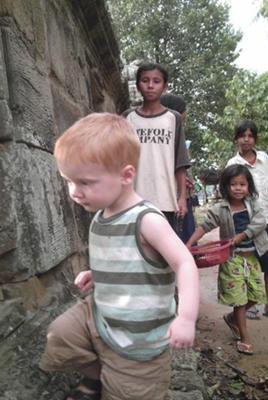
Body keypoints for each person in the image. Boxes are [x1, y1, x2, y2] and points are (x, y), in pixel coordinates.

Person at [40, 113, 200, 400]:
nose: (74, 192)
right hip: (101, 316)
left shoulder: (147, 220)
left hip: (139, 341)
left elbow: (184, 263)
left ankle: (111, 380)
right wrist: (97, 273)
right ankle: (95, 376)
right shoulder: (101, 216)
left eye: (85, 182)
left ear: (126, 175)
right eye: (69, 181)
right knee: (61, 336)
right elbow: (123, 257)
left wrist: (186, 316)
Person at [187, 164, 267, 355]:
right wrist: (188, 244)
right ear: (225, 186)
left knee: (256, 296)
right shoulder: (220, 209)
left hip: (252, 259)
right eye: (233, 184)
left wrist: (242, 236)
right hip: (232, 260)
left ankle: (232, 318)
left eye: (242, 184)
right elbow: (204, 226)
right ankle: (244, 336)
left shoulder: (253, 204)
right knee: (239, 300)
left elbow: (261, 222)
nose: (238, 188)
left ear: (248, 186)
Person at [227, 120, 268, 321]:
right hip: (244, 223)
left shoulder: (264, 159)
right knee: (247, 265)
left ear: (255, 138)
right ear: (236, 139)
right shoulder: (233, 165)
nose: (246, 139)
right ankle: (249, 306)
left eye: (250, 135)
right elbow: (229, 193)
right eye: (243, 135)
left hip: (267, 220)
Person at [123, 62, 190, 229]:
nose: (150, 86)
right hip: (133, 201)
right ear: (138, 85)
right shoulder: (127, 118)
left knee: (163, 253)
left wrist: (182, 198)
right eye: (145, 80)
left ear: (164, 86)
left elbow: (180, 163)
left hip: (165, 199)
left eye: (156, 81)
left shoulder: (173, 119)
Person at [160, 92, 197, 243]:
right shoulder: (165, 139)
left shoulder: (176, 136)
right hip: (171, 201)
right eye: (184, 110)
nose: (186, 115)